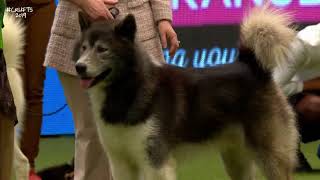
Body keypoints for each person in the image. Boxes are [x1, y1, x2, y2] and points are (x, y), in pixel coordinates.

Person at [44, 0, 179, 179]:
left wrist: (163, 18)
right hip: (79, 30)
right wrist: (86, 3)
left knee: (146, 139)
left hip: (140, 37)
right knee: (91, 133)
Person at [6, 1, 56, 179]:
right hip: (8, 7)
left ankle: (28, 167)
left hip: (41, 6)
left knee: (35, 90)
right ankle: (8, 162)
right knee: (10, 88)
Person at [273, 23, 320, 171]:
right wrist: (312, 85)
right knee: (314, 106)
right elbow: (273, 89)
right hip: (290, 101)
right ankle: (288, 149)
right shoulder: (304, 43)